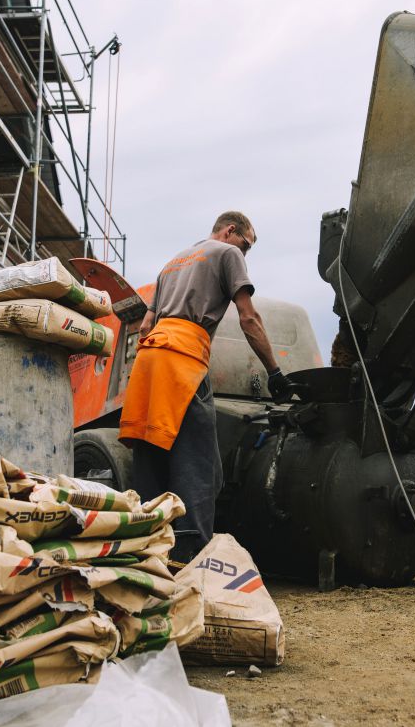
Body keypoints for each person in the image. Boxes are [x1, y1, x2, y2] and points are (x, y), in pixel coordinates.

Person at [118, 211, 291, 562]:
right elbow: (248, 317)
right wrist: (274, 371)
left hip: (149, 359)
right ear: (230, 231)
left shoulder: (172, 264)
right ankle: (190, 558)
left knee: (152, 459)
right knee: (200, 466)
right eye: (246, 245)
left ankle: (148, 556)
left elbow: (145, 325)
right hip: (182, 358)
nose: (245, 255)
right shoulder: (226, 255)